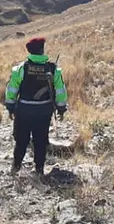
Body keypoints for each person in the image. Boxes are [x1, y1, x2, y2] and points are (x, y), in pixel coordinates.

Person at [4, 37, 68, 177]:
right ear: (42, 50)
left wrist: (10, 106)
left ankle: (15, 167)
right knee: (40, 141)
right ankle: (39, 170)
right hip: (44, 112)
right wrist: (61, 109)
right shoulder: (53, 69)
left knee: (21, 140)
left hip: (24, 111)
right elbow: (60, 91)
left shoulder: (20, 69)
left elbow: (12, 90)